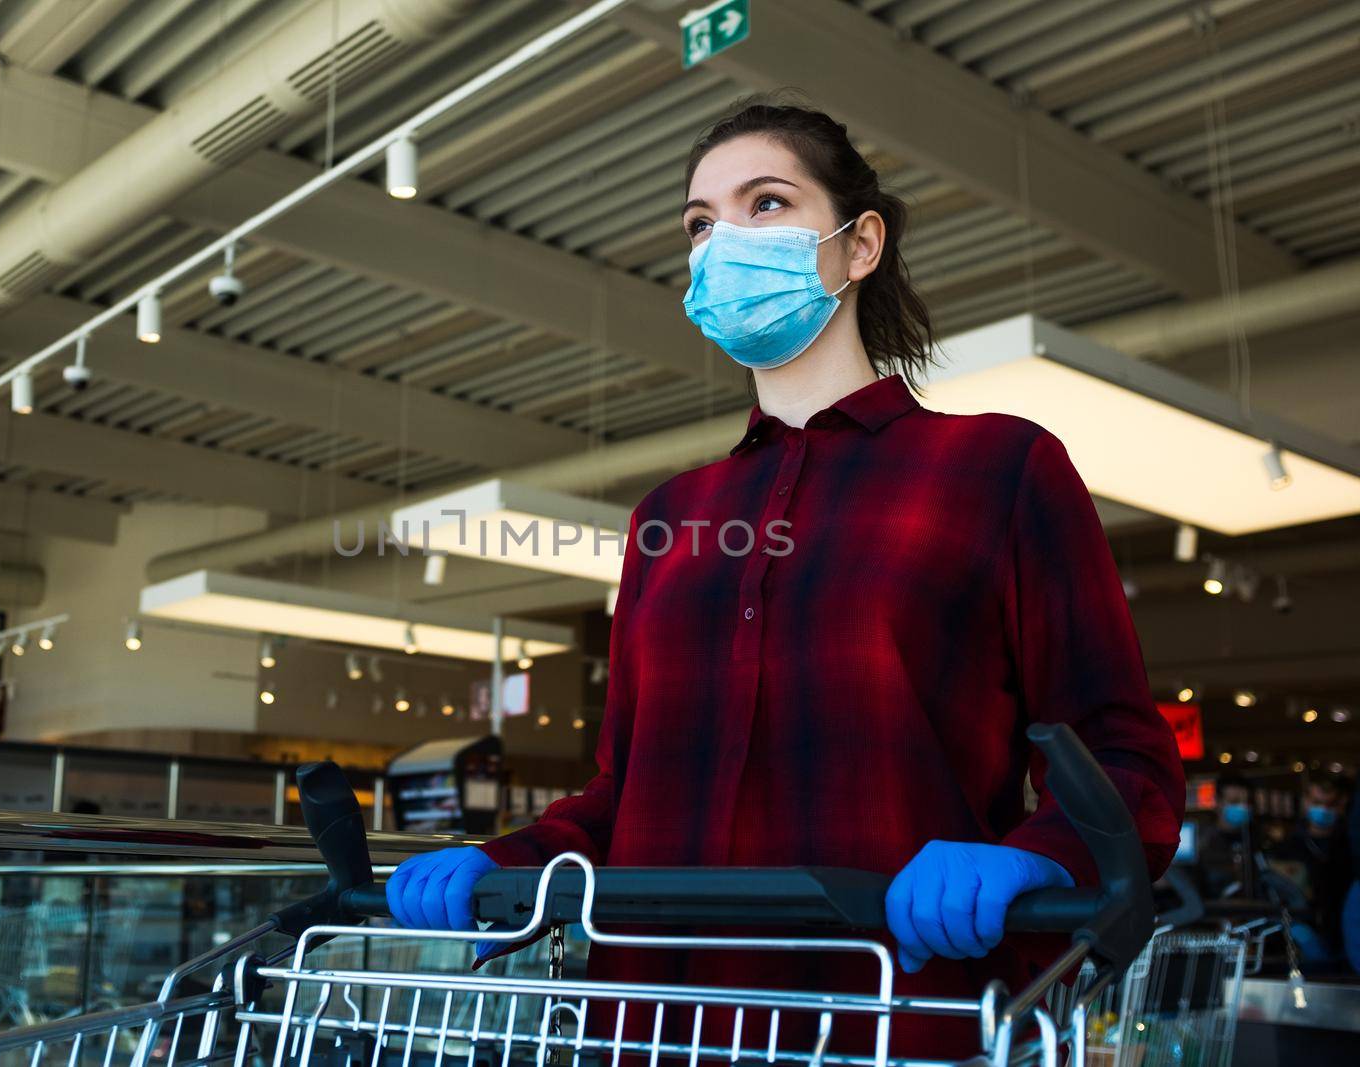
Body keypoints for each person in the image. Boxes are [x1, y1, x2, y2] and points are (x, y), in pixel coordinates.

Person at [386, 94, 1185, 1060]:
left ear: (860, 246)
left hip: (896, 1013)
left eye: (765, 204)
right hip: (653, 1025)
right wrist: (506, 858)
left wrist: (1028, 859)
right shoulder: (668, 520)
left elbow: (1124, 758)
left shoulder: (998, 471)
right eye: (700, 223)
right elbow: (623, 793)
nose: (725, 241)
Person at [1263, 772, 1352, 971]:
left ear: (1341, 804)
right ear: (1306, 801)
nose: (1323, 809)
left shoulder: (1350, 846)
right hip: (1304, 940)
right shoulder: (1286, 848)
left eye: (1330, 803)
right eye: (1317, 802)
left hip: (1347, 936)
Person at [1195, 770, 1258, 902]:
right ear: (1217, 802)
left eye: (1247, 802)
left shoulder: (1257, 841)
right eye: (1234, 801)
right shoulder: (1201, 842)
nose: (1243, 807)